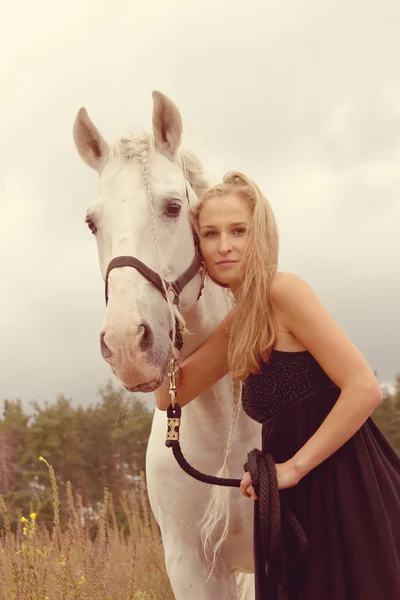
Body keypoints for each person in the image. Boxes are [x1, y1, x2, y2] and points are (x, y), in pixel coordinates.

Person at [155, 171, 400, 599]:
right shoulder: (241, 323)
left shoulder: (283, 291)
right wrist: (160, 310)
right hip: (294, 502)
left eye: (238, 231)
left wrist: (294, 468)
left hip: (345, 490)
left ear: (261, 234)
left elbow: (364, 387)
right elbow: (169, 395)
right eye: (209, 234)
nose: (223, 245)